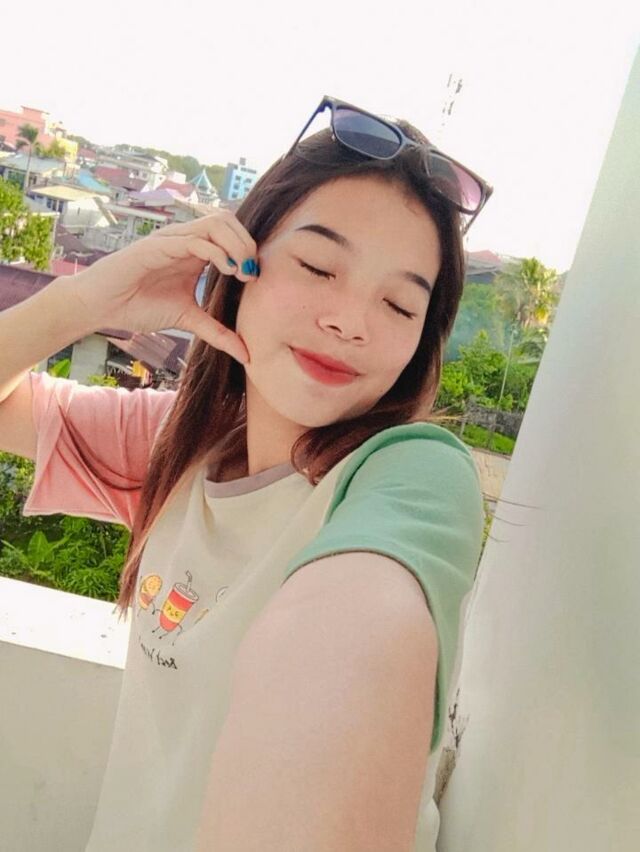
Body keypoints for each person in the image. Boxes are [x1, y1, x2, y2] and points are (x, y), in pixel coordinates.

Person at [0, 95, 493, 851]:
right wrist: (91, 299)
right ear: (241, 264)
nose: (351, 320)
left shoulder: (412, 474)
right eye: (319, 266)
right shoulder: (177, 444)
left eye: (400, 305)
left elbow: (352, 634)